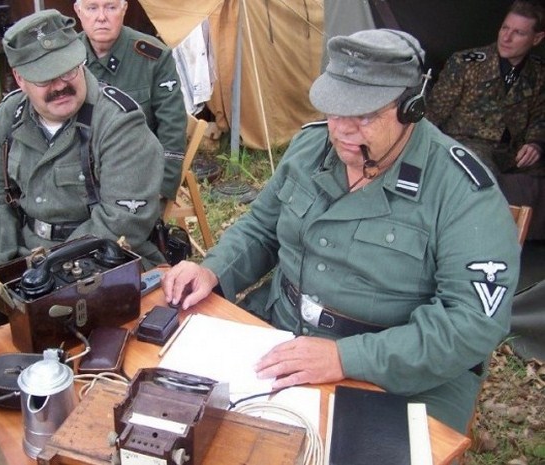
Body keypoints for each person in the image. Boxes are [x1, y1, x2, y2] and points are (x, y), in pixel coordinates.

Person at [163, 29, 521, 434]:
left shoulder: (462, 191)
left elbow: (470, 324)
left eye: (364, 115)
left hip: (397, 372)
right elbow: (262, 227)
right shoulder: (310, 147)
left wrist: (344, 358)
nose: (342, 131)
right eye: (335, 110)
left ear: (412, 108)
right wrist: (213, 270)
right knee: (180, 408)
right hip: (280, 325)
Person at [0, 9, 164, 329]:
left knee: (59, 317)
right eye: (45, 76)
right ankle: (16, 329)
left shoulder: (119, 122)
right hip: (23, 248)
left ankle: (35, 332)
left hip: (97, 257)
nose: (61, 85)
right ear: (20, 78)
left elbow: (121, 224)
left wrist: (42, 276)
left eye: (68, 70)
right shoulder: (9, 114)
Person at [427, 0, 545, 240]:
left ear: (537, 38)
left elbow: (540, 116)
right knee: (481, 175)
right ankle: (480, 241)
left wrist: (535, 144)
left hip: (512, 150)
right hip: (467, 143)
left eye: (518, 33)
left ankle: (524, 237)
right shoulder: (466, 63)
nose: (507, 38)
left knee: (537, 178)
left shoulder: (538, 73)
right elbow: (434, 112)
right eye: (505, 28)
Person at [74, 0, 186, 202]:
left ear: (124, 9)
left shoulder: (154, 58)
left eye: (110, 7)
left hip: (136, 178)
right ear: (78, 11)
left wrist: (162, 186)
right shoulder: (67, 59)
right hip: (77, 179)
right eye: (92, 8)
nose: (101, 17)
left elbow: (172, 125)